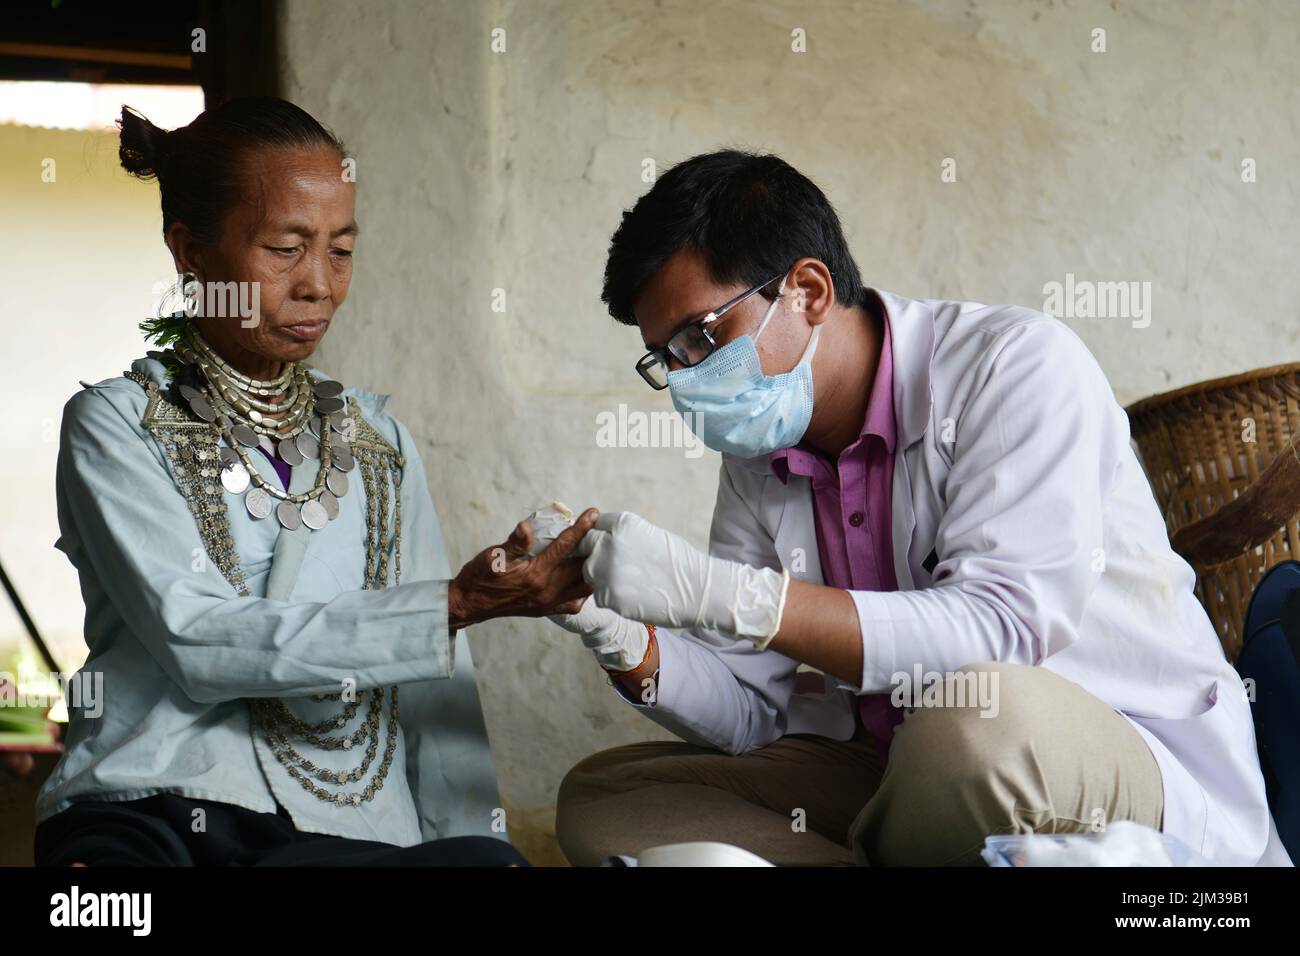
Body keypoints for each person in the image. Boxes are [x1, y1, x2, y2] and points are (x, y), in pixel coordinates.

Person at [552, 149, 1292, 866]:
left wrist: (716, 593)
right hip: (904, 777)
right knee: (610, 797)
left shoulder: (1014, 366)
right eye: (666, 360)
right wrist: (609, 626)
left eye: (699, 338)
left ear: (806, 291)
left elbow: (1001, 629)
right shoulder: (756, 457)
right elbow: (751, 707)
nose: (685, 380)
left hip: (1088, 751)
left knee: (982, 720)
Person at [35, 97, 597, 867]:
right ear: (189, 250)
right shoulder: (117, 423)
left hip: (346, 828)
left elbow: (437, 681)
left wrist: (474, 840)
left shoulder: (378, 441)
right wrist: (452, 604)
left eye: (340, 250)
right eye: (285, 248)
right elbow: (196, 638)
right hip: (155, 805)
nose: (320, 286)